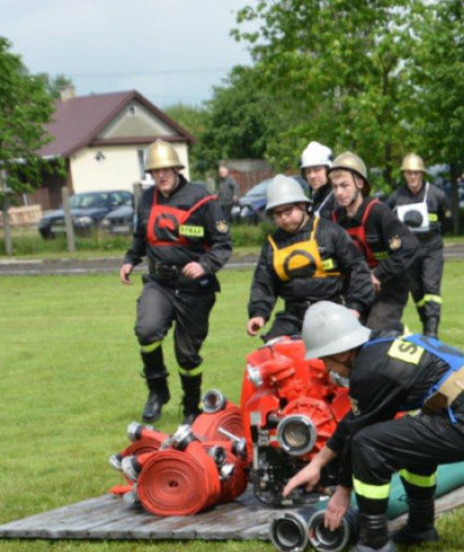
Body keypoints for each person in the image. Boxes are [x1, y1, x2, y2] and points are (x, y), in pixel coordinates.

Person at [282, 302, 464, 552]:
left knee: (368, 444)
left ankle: (375, 547)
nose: (325, 367)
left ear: (341, 353)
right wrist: (317, 464)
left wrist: (342, 492)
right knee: (409, 439)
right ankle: (421, 528)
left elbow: (359, 435)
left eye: (324, 359)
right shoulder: (381, 344)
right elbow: (354, 420)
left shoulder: (369, 370)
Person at [119, 139, 232, 425]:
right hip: (159, 283)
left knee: (187, 354)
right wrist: (130, 259)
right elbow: (139, 236)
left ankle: (191, 407)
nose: (161, 175)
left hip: (195, 289)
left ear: (176, 169)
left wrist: (204, 265)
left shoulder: (202, 198)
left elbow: (223, 244)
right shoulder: (145, 199)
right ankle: (158, 391)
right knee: (147, 330)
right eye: (155, 171)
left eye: (166, 169)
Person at [246, 175, 374, 340]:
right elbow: (263, 283)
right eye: (277, 214)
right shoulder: (272, 244)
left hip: (333, 313)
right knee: (271, 353)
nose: (283, 218)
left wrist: (355, 307)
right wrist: (258, 314)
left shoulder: (330, 233)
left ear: (303, 206)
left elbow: (358, 268)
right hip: (293, 317)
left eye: (288, 211)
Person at [328, 151, 421, 332]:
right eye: (335, 187)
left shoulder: (378, 213)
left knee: (375, 333)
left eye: (345, 185)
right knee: (346, 334)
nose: (339, 192)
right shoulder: (334, 219)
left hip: (389, 288)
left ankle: (396, 334)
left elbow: (410, 247)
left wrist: (379, 273)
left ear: (360, 183)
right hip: (357, 288)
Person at [386, 153, 451, 337]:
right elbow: (385, 220)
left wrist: (435, 235)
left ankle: (432, 331)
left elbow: (447, 221)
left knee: (431, 287)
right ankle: (425, 322)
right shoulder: (396, 197)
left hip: (431, 249)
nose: (413, 177)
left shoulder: (436, 195)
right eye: (409, 173)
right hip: (409, 253)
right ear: (404, 174)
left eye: (416, 173)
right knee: (417, 291)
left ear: (422, 174)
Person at [300, 140, 335, 220]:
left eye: (317, 170)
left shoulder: (338, 198)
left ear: (328, 171)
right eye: (308, 171)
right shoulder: (314, 199)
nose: (312, 176)